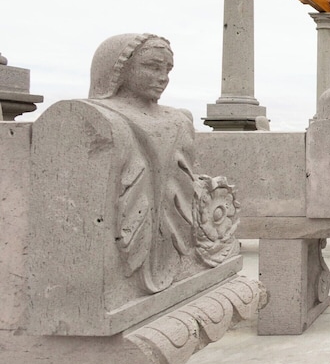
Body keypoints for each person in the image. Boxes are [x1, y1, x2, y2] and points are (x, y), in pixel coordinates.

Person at [88, 33, 237, 292]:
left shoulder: (179, 119)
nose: (163, 77)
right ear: (119, 69)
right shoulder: (101, 117)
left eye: (167, 69)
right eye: (152, 66)